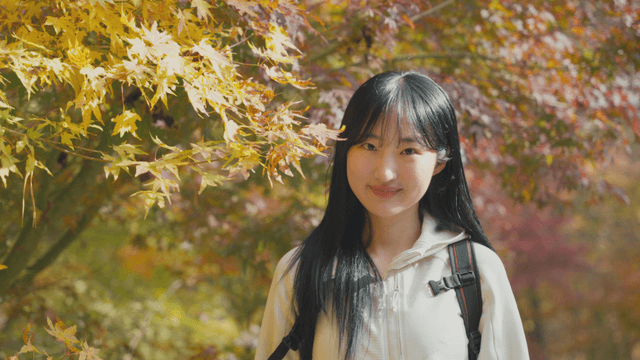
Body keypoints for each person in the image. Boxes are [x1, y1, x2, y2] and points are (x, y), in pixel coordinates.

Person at [254, 71, 529, 360]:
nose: (385, 173)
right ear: (346, 150)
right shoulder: (301, 272)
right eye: (369, 146)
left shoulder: (475, 271)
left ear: (439, 161)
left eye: (408, 150)